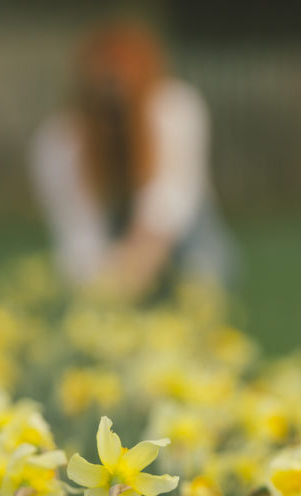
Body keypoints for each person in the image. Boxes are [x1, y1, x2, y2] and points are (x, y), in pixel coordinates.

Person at [30, 21, 235, 300]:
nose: (113, 113)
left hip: (182, 238)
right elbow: (77, 232)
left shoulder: (175, 109)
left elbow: (170, 203)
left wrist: (130, 270)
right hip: (109, 241)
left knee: (202, 275)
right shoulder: (59, 142)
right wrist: (98, 287)